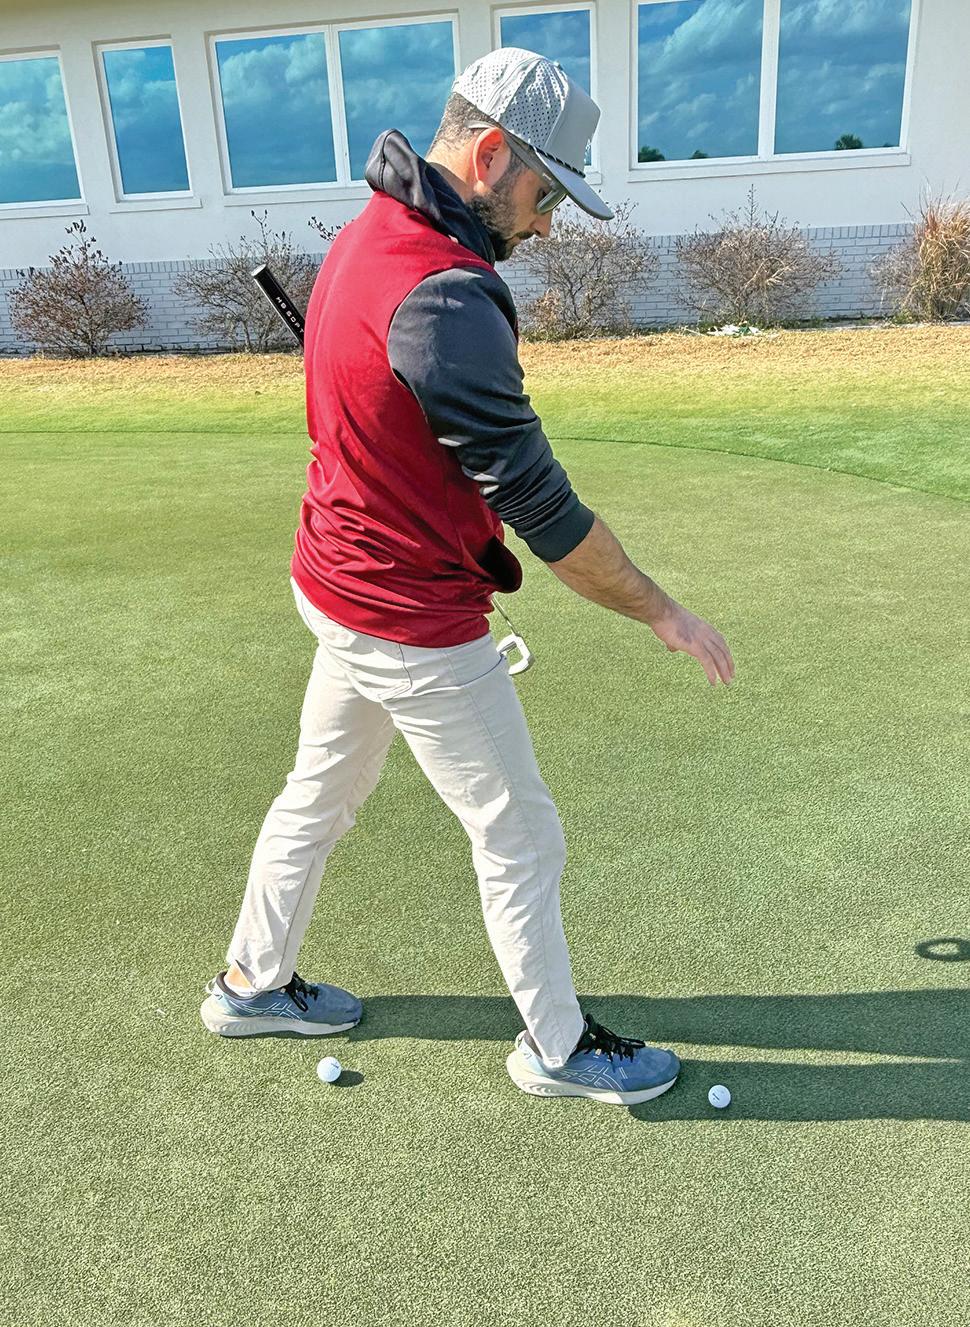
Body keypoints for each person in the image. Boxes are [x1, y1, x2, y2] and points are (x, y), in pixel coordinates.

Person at [199, 48, 735, 1106]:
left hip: (339, 586)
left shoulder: (370, 233)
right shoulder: (445, 296)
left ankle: (251, 982)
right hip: (409, 620)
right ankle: (558, 1046)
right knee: (521, 832)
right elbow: (548, 514)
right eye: (545, 196)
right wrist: (661, 611)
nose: (547, 225)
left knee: (320, 793)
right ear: (489, 156)